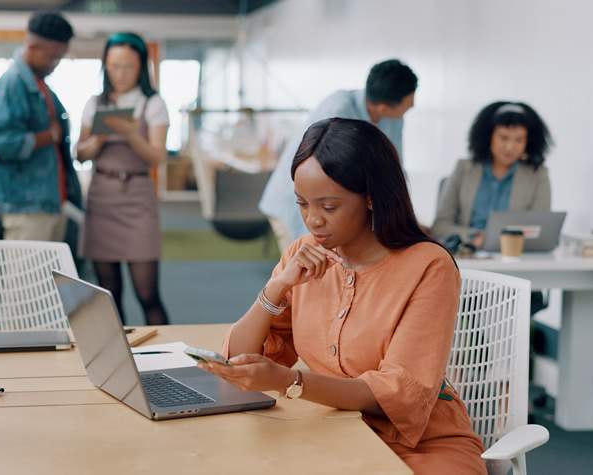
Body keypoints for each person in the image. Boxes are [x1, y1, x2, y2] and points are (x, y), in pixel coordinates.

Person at [201, 118, 487, 474]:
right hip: (332, 430)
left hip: (421, 445)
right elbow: (239, 360)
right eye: (302, 204)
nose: (312, 220)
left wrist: (289, 382)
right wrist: (276, 288)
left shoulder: (428, 267)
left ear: (370, 197)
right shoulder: (302, 255)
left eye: (329, 206)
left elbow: (398, 395)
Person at [259, 59, 417, 252]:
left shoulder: (394, 117)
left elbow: (394, 170)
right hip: (298, 200)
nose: (413, 105)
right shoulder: (338, 111)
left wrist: (406, 221)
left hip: (334, 206)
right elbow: (324, 176)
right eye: (410, 102)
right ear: (384, 107)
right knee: (306, 269)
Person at [75, 32, 170, 326]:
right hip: (102, 197)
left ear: (142, 66)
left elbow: (157, 157)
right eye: (114, 65)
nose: (120, 73)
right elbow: (80, 153)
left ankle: (169, 356)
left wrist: (130, 134)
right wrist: (101, 136)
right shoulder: (95, 102)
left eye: (128, 66)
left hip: (137, 196)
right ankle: (116, 360)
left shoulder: (152, 103)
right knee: (109, 294)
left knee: (147, 293)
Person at [0, 11, 81, 241]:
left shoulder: (39, 85)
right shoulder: (13, 83)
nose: (55, 64)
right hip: (26, 206)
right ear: (33, 46)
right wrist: (47, 136)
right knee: (25, 277)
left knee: (48, 277)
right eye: (53, 57)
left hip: (47, 202)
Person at [432, 101, 553, 247]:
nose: (510, 147)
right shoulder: (463, 169)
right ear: (489, 137)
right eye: (503, 138)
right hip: (466, 256)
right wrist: (474, 237)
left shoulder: (538, 175)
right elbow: (440, 227)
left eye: (519, 140)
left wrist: (497, 239)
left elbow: (540, 230)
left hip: (513, 259)